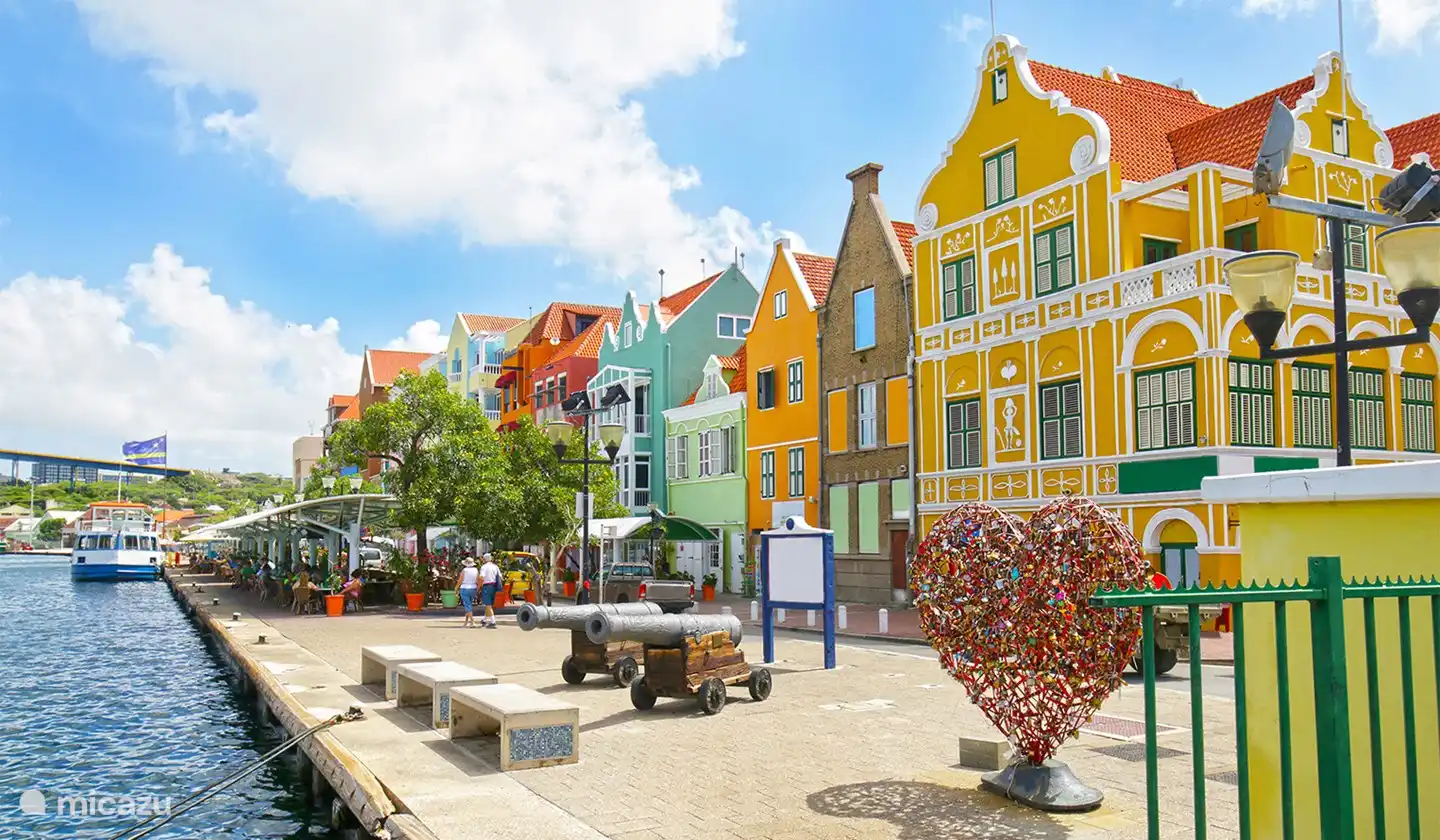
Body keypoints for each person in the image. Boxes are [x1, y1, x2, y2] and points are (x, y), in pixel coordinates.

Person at [478, 553, 502, 628]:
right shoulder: (495, 567)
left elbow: (482, 577)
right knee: (489, 605)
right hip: (494, 586)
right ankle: (484, 620)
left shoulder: (484, 567)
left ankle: (493, 622)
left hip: (487, 586)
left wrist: (479, 586)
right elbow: (501, 577)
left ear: (484, 559)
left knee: (488, 605)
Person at [456, 557, 480, 627]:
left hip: (464, 588)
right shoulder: (476, 570)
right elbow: (477, 579)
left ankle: (472, 621)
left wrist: (456, 588)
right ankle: (466, 622)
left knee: (467, 605)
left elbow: (460, 580)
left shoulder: (464, 570)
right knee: (469, 604)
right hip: (473, 588)